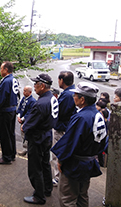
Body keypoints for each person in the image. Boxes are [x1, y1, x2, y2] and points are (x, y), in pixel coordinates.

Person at [51, 82, 107, 207]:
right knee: (82, 195)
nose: (73, 97)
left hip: (75, 164)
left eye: (75, 95)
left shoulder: (81, 117)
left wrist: (60, 160)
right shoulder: (98, 115)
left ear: (82, 100)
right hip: (89, 162)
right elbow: (103, 141)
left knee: (67, 198)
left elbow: (69, 142)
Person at [21, 73, 59, 205]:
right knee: (45, 164)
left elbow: (28, 125)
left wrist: (24, 127)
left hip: (37, 139)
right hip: (47, 135)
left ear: (42, 86)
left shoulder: (40, 103)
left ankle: (39, 195)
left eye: (36, 84)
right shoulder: (52, 98)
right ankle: (47, 189)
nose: (34, 87)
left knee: (35, 167)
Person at [51, 71, 76, 188]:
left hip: (62, 128)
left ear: (61, 80)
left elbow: (59, 113)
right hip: (70, 128)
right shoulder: (75, 92)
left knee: (58, 154)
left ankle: (58, 178)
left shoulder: (66, 96)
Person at [0, 61, 19, 164]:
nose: (0, 70)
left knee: (4, 134)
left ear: (6, 70)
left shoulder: (6, 81)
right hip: (12, 109)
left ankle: (6, 157)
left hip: (5, 110)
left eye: (1, 68)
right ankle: (12, 154)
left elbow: (2, 96)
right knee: (11, 133)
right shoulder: (13, 79)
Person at [16, 85, 36, 156]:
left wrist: (22, 118)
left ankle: (29, 150)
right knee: (22, 135)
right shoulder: (23, 99)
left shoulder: (32, 101)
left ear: (30, 92)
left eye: (25, 91)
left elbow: (30, 112)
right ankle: (25, 149)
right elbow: (20, 107)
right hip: (22, 120)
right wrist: (18, 115)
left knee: (27, 136)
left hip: (27, 121)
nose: (23, 92)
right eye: (23, 90)